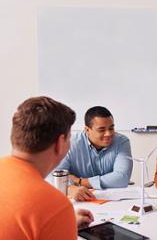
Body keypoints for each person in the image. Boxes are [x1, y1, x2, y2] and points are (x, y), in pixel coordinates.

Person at [0, 96, 94, 239]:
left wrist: (58, 225)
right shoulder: (53, 205)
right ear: (60, 143)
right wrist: (59, 219)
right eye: (69, 138)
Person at [55, 106, 133, 201]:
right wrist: (69, 188)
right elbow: (54, 176)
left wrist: (80, 181)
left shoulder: (122, 142)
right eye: (102, 130)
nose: (108, 133)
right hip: (80, 202)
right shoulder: (71, 144)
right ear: (87, 130)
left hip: (112, 201)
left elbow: (122, 178)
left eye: (111, 128)